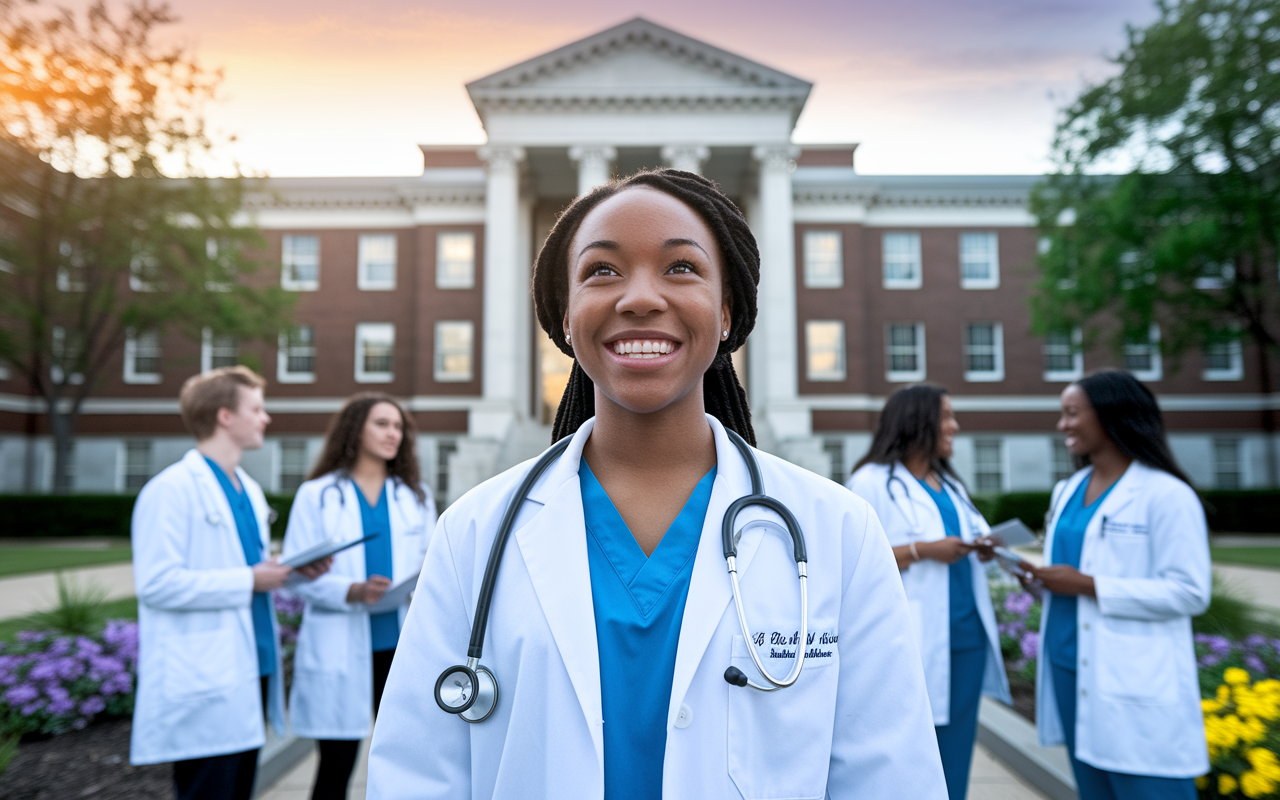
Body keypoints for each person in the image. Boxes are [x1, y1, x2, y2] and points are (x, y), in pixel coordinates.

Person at [366, 169, 946, 799]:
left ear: (727, 313)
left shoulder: (837, 530)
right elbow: (418, 778)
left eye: (680, 268)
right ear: (564, 317)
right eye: (602, 271)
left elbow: (890, 779)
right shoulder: (474, 533)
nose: (640, 297)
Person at [130, 366, 330, 800]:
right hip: (206, 677)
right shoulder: (171, 490)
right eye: (256, 408)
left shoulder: (250, 491)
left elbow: (242, 566)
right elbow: (156, 584)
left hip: (250, 667)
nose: (266, 418)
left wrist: (289, 570)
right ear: (225, 416)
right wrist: (250, 578)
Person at [1023, 370, 1210, 799]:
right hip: (1069, 666)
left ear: (1111, 416)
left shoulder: (1166, 494)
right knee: (1094, 789)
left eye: (1072, 413)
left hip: (1132, 678)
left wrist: (1088, 585)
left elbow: (1190, 591)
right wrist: (1040, 579)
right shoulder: (1067, 490)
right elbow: (1073, 572)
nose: (1062, 425)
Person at [845, 384, 1011, 800]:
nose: (954, 426)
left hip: (966, 639)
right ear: (917, 422)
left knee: (956, 750)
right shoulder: (871, 483)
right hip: (912, 639)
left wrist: (986, 546)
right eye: (947, 417)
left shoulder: (949, 485)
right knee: (911, 755)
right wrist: (923, 551)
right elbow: (851, 560)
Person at [282, 393, 437, 800]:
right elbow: (296, 576)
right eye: (382, 424)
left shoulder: (414, 495)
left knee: (408, 760)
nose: (393, 434)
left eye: (399, 427)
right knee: (335, 766)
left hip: (399, 643)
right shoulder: (317, 495)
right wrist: (351, 590)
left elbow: (434, 567)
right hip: (341, 641)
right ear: (355, 429)